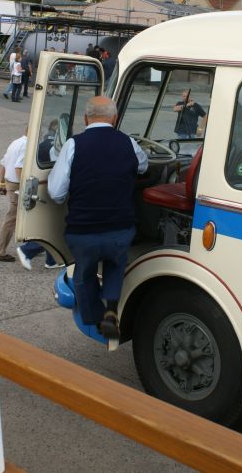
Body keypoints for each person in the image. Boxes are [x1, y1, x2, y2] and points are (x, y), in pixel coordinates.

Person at [48, 96, 148, 339]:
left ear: (85, 119)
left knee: (84, 272)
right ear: (114, 118)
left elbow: (56, 192)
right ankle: (112, 310)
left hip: (83, 232)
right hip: (120, 229)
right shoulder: (129, 143)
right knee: (116, 263)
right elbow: (143, 166)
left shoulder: (74, 145)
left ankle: (94, 319)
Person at [0, 130, 27, 262]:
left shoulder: (15, 142)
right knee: (11, 218)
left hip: (9, 182)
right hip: (17, 184)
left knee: (21, 216)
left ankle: (31, 246)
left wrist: (2, 184)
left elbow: (3, 164)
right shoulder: (27, 145)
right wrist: (25, 187)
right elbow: (19, 168)